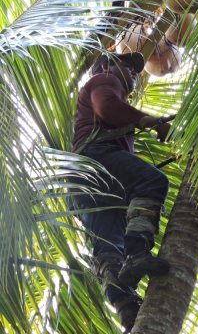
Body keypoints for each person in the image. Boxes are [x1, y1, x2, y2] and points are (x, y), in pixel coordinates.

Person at [70, 52, 172, 333]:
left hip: (83, 180)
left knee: (107, 243)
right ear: (107, 64)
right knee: (152, 182)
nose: (133, 74)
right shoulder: (105, 78)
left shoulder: (102, 87)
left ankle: (126, 308)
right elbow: (107, 107)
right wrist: (151, 121)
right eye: (128, 67)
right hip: (96, 158)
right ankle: (138, 252)